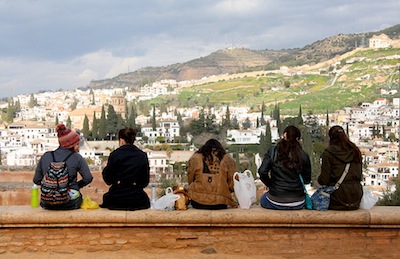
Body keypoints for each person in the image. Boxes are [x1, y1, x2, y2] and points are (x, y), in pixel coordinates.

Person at [33, 124, 93, 210]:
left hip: (47, 203)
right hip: (69, 203)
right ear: (71, 144)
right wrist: (75, 186)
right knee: (77, 197)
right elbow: (88, 178)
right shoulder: (77, 158)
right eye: (77, 144)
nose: (78, 146)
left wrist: (51, 186)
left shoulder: (46, 156)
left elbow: (36, 180)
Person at [258, 125, 311, 210]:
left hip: (275, 198)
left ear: (284, 135)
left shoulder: (272, 151)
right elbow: (307, 180)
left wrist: (271, 185)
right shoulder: (303, 155)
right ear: (298, 139)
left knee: (263, 198)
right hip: (298, 201)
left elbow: (262, 171)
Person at [100, 128, 150, 210]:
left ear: (121, 140)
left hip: (117, 199)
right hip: (137, 200)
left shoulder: (115, 155)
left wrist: (105, 169)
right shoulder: (142, 155)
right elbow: (145, 182)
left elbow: (108, 180)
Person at [317, 125, 363, 210]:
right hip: (355, 198)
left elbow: (324, 180)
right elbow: (359, 175)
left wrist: (318, 179)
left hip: (337, 198)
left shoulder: (329, 153)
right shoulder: (355, 151)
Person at [187, 139, 238, 209]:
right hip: (220, 202)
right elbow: (233, 182)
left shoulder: (195, 158)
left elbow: (190, 179)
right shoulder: (227, 159)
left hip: (197, 201)